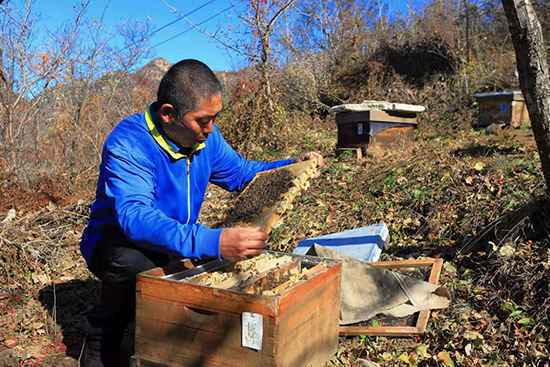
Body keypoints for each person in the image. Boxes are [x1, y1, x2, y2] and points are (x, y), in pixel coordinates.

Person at [79, 59, 322, 367]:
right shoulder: (128, 143)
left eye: (215, 118)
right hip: (117, 243)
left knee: (206, 269)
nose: (211, 128)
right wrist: (213, 241)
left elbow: (242, 174)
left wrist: (290, 165)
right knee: (138, 268)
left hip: (174, 237)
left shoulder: (207, 137)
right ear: (168, 114)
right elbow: (136, 219)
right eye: (203, 120)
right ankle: (103, 335)